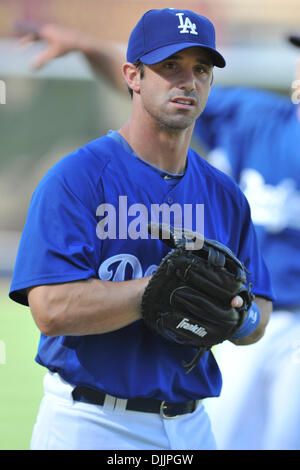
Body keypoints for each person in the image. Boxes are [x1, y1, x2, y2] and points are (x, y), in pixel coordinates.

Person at [18, 21, 300, 450]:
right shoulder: (78, 178)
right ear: (134, 75)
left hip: (190, 428)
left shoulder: (225, 195)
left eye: (202, 69)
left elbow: (257, 307)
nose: (188, 81)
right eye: (171, 65)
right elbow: (51, 309)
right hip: (90, 421)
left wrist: (238, 317)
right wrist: (157, 290)